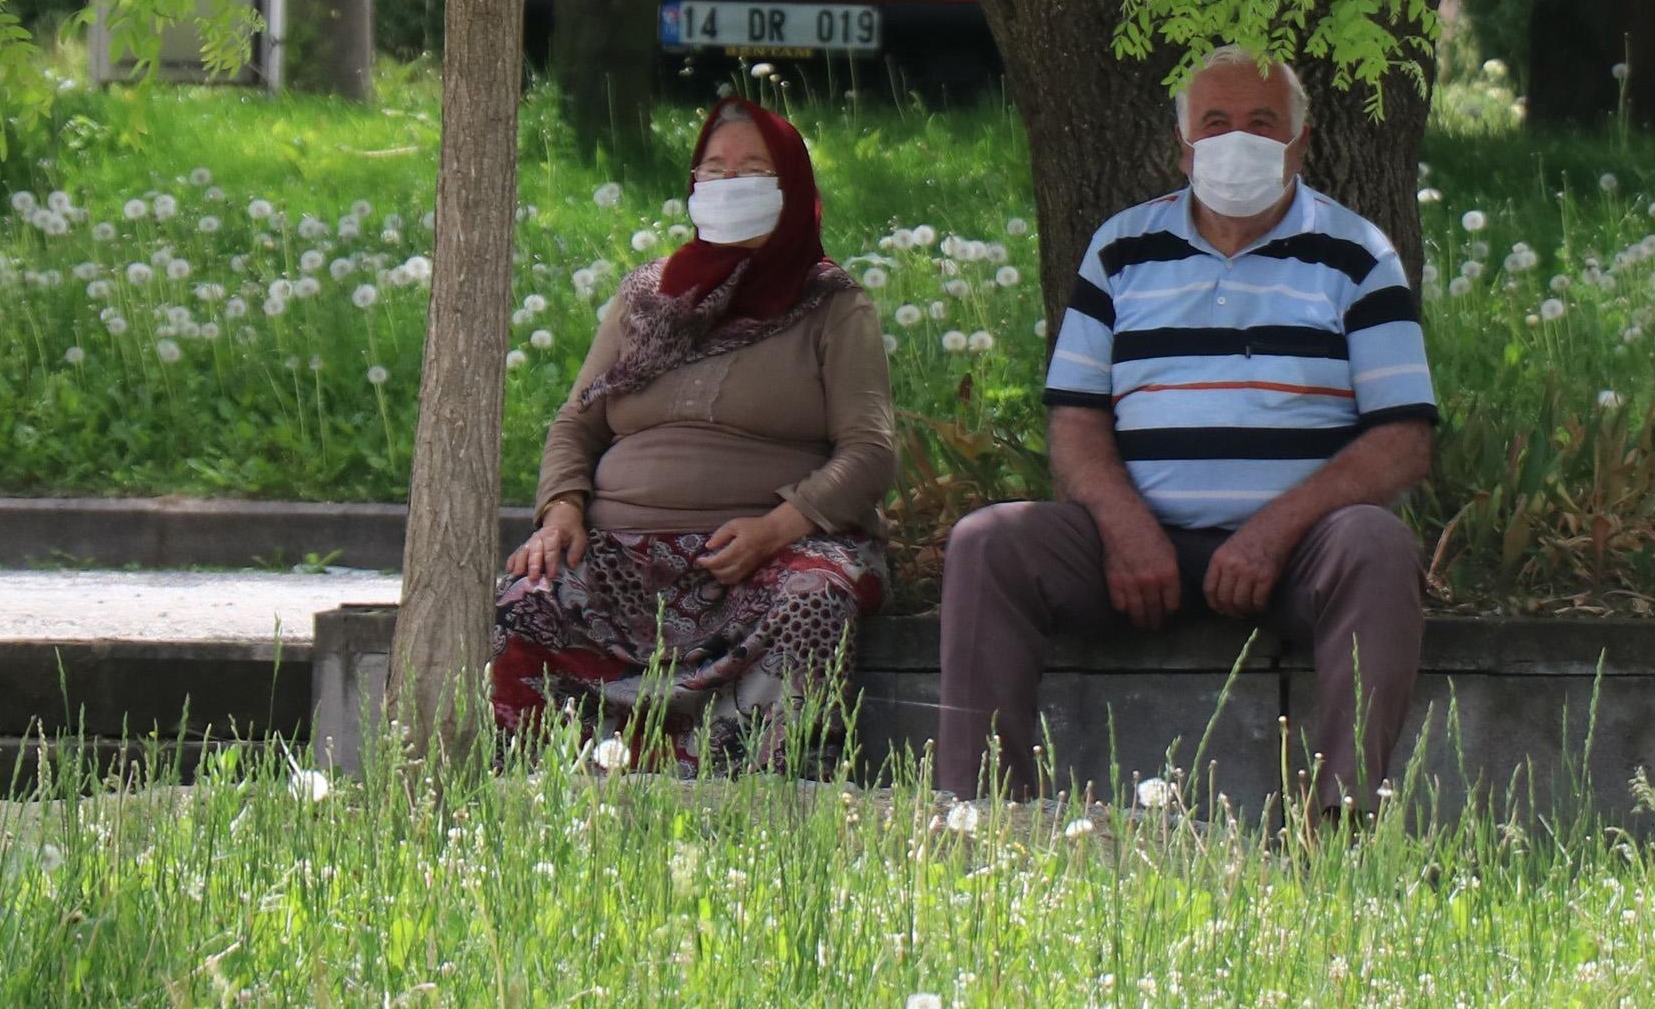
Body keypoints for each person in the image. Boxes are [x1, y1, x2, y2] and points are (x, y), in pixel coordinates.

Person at [934, 46, 1436, 816]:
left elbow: (1402, 439)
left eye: (1262, 124)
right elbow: (1075, 419)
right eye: (1217, 123)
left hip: (1303, 550)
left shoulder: (1358, 255)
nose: (1239, 141)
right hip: (1133, 548)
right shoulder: (1122, 248)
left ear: (1302, 141)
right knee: (988, 542)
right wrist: (1123, 522)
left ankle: (1339, 825)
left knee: (1377, 546)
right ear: (1183, 144)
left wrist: (1273, 531)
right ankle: (979, 818)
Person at [493, 99, 896, 775]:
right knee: (530, 597)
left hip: (762, 555)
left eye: (753, 169)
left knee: (812, 602)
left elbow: (870, 452)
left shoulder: (832, 304)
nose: (729, 183)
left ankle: (767, 800)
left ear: (791, 185)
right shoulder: (646, 296)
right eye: (713, 170)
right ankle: (546, 796)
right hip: (622, 554)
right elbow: (576, 422)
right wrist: (561, 509)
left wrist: (775, 529)